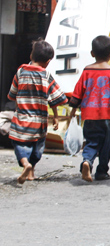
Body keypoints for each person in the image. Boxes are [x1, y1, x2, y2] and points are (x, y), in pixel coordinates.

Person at [68, 36, 110, 182]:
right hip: (107, 116)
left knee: (92, 141)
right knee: (106, 145)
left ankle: (87, 161)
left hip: (89, 116)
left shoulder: (86, 71)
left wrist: (73, 109)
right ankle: (101, 172)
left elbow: (77, 93)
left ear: (92, 53)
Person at [7, 40, 68, 184]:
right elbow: (57, 98)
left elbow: (12, 94)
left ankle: (25, 164)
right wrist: (56, 117)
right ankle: (31, 171)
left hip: (21, 119)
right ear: (47, 62)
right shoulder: (46, 75)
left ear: (31, 55)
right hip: (39, 123)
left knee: (19, 143)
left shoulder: (20, 72)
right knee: (37, 147)